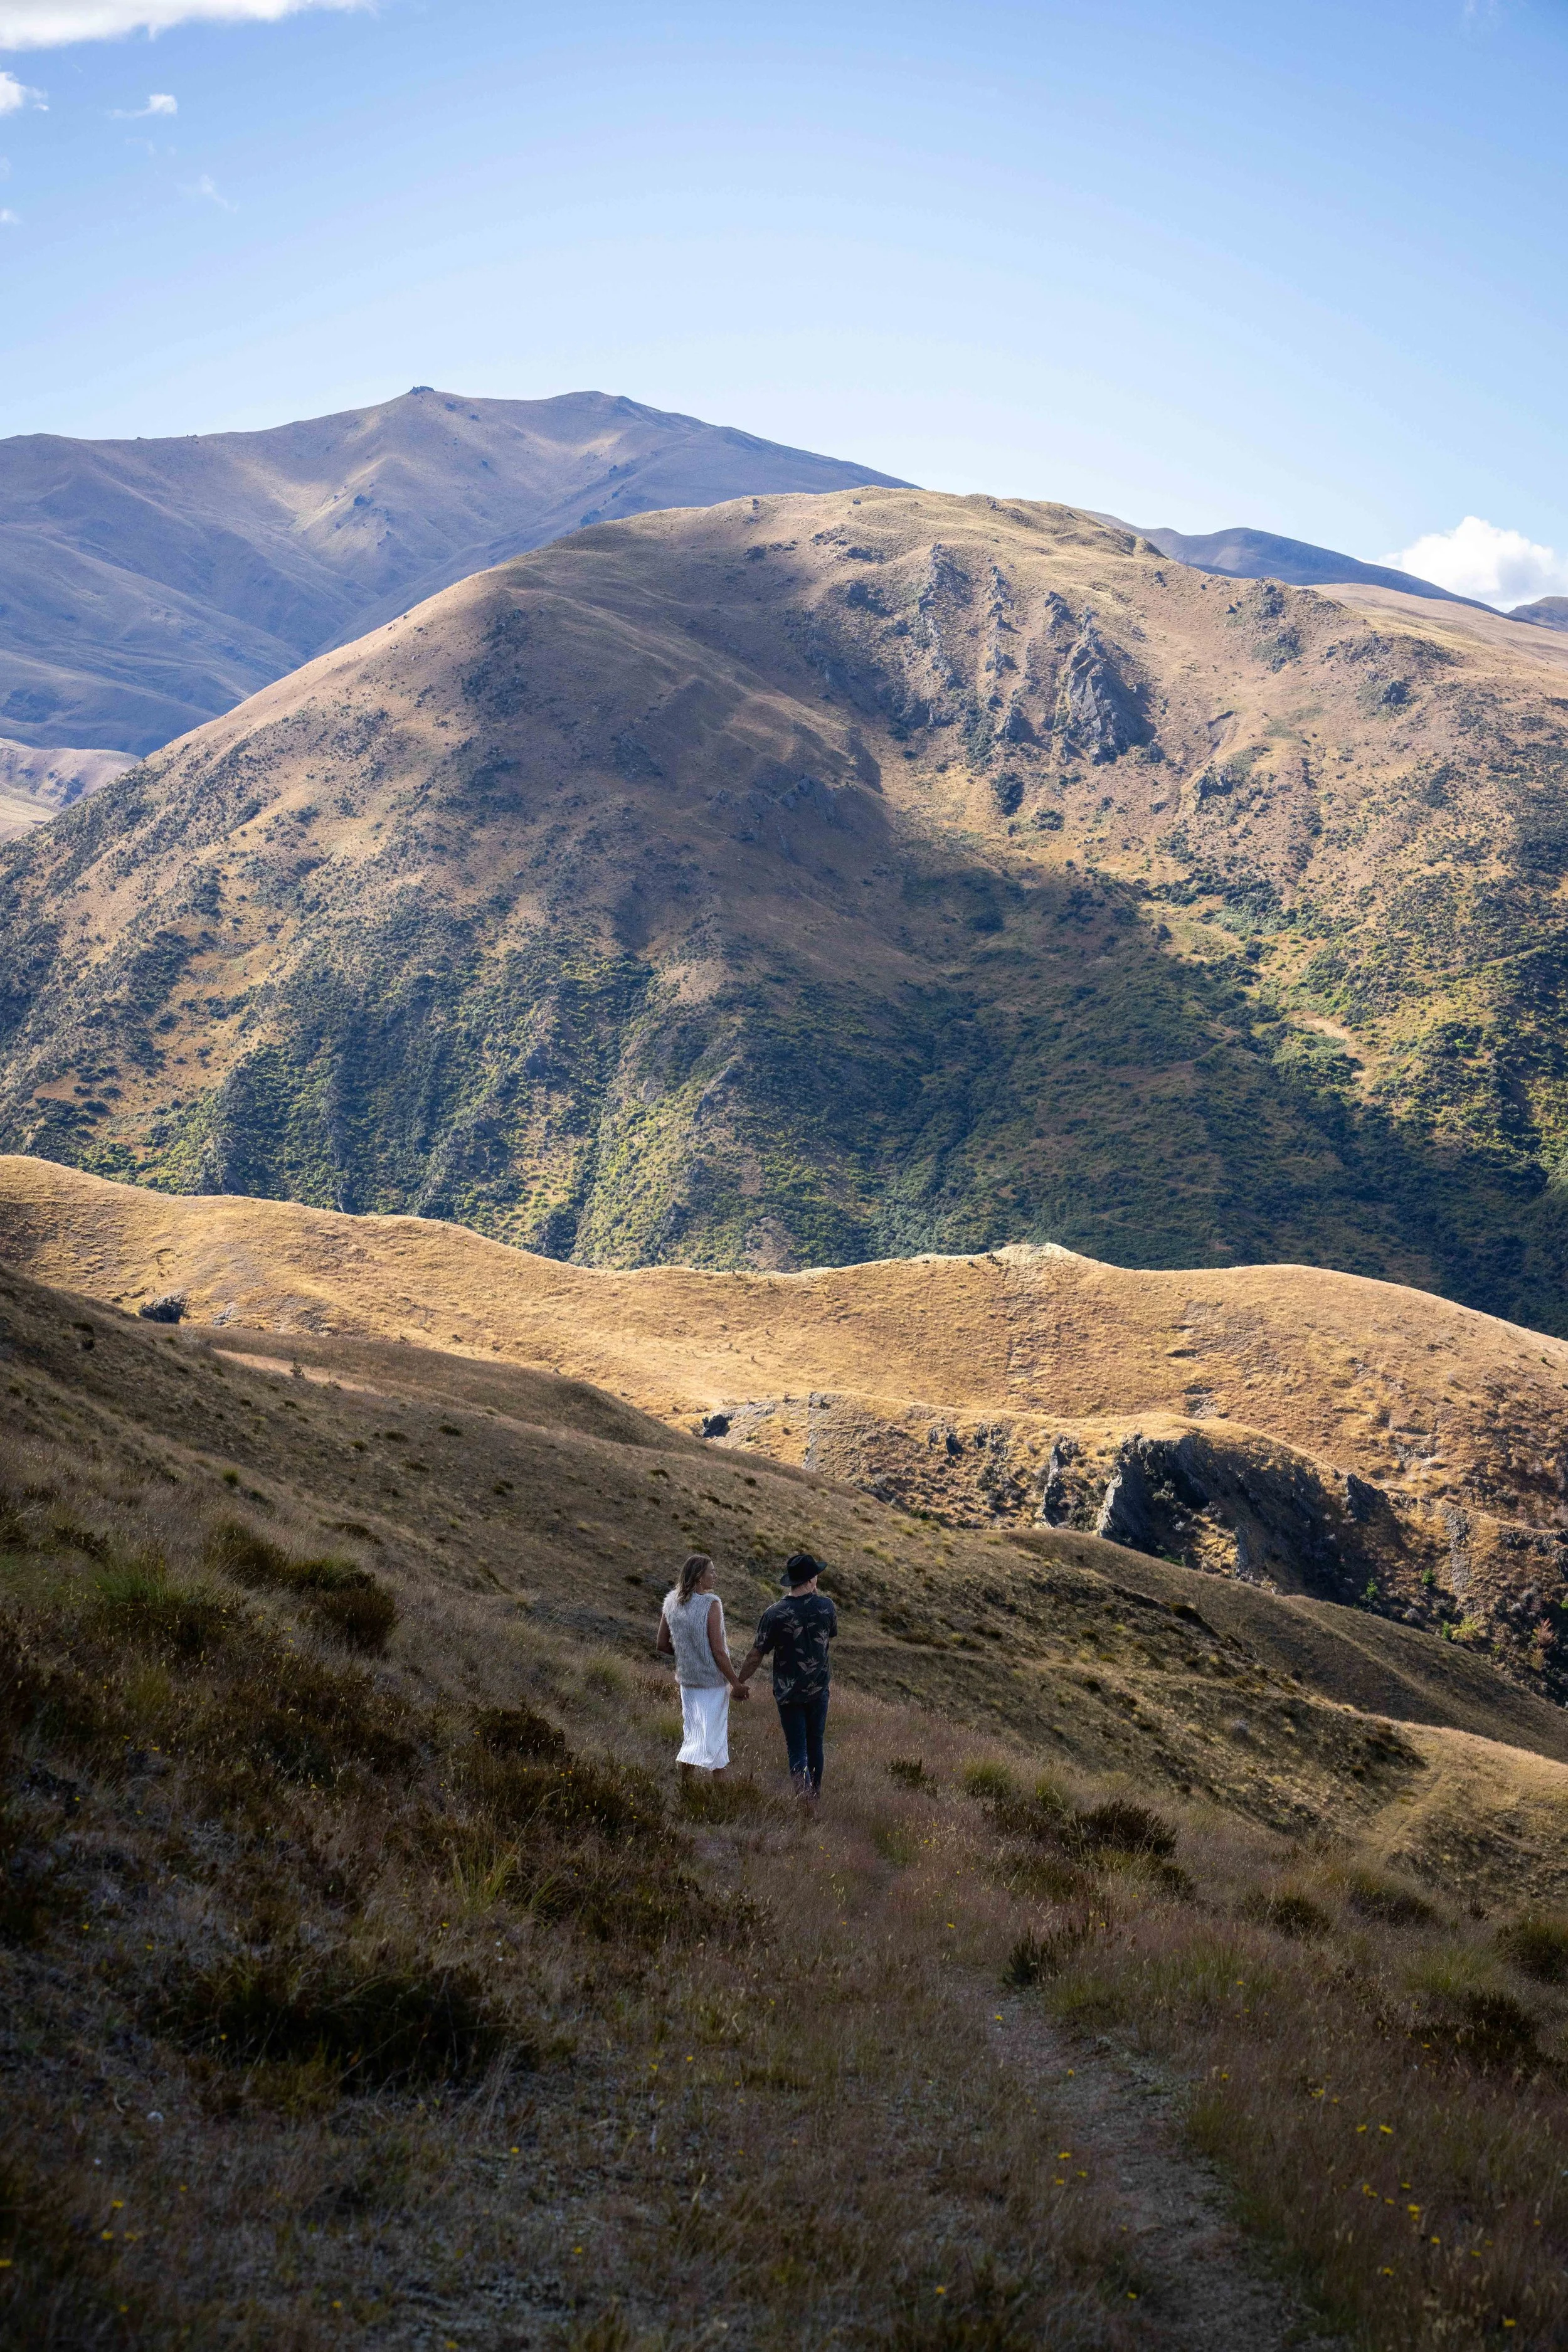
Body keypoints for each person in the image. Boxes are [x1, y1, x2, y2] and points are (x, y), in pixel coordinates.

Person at [736, 1552, 837, 1801]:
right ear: (812, 1579)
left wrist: (739, 1682)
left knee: (797, 1748)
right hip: (818, 1689)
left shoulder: (775, 1614)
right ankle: (813, 1797)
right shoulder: (827, 1607)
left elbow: (756, 1654)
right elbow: (828, 1637)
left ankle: (804, 1800)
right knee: (816, 1744)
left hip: (788, 1692)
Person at [655, 1552, 750, 1776]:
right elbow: (718, 1650)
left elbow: (661, 1644)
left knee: (693, 1734)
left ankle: (686, 1789)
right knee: (716, 1738)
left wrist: (685, 1655)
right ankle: (718, 1796)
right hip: (712, 1683)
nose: (715, 1576)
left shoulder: (671, 1603)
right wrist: (735, 1683)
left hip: (688, 1682)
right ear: (699, 1576)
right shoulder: (711, 1604)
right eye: (712, 1571)